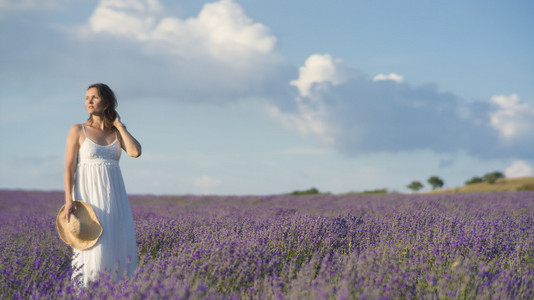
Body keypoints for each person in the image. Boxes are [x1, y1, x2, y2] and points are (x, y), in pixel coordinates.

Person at [63, 83, 141, 287]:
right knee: (94, 248)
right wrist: (68, 201)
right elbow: (69, 167)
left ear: (105, 102)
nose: (88, 101)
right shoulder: (78, 130)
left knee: (117, 244)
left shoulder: (116, 133)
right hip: (89, 199)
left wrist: (120, 126)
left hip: (115, 199)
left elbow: (134, 152)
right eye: (87, 98)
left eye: (94, 97)